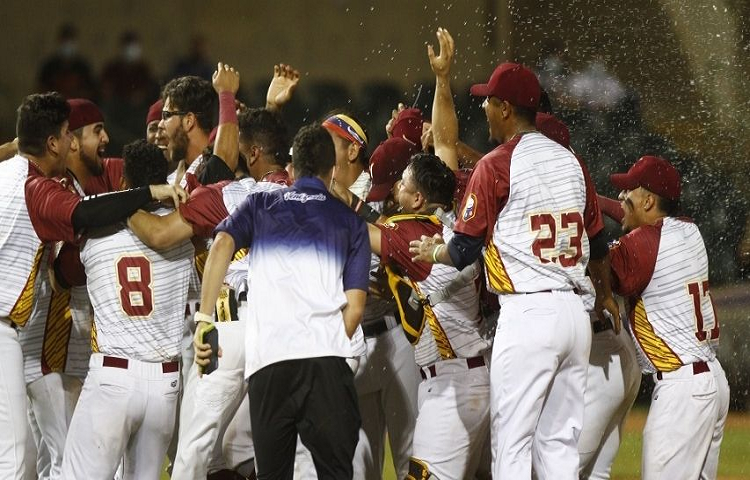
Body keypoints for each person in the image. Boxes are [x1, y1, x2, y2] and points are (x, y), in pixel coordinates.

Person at [409, 59, 617, 479]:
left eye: (489, 101)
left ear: (506, 108)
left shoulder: (497, 164)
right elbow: (596, 244)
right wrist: (606, 295)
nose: (483, 108)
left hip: (528, 315)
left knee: (512, 445)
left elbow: (466, 248)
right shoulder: (571, 162)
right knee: (558, 444)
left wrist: (436, 254)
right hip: (574, 316)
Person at [0, 92, 185, 479]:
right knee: (18, 458)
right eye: (69, 134)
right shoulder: (36, 187)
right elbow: (84, 212)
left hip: (48, 349)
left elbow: (66, 266)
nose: (72, 143)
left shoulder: (16, 175)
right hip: (153, 377)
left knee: (32, 457)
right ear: (53, 142)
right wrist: (148, 193)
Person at [194, 124, 369, 479]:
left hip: (270, 366)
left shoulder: (260, 203)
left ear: (293, 167)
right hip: (326, 365)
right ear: (331, 171)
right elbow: (355, 309)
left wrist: (203, 319)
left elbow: (222, 246)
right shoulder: (351, 222)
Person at [61, 140, 194, 480]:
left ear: (122, 183)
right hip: (166, 385)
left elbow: (62, 274)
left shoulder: (96, 224)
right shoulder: (183, 229)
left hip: (113, 376)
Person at [606, 155, 730, 479]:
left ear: (648, 200)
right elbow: (626, 218)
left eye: (628, 191)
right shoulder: (688, 229)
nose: (621, 198)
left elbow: (601, 268)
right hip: (710, 379)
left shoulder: (645, 244)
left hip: (683, 390)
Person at [323, 111, 421, 480]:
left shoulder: (383, 184)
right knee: (358, 466)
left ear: (352, 151)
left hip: (397, 337)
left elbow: (400, 241)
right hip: (352, 341)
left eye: (329, 140)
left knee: (411, 457)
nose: (320, 148)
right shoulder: (322, 193)